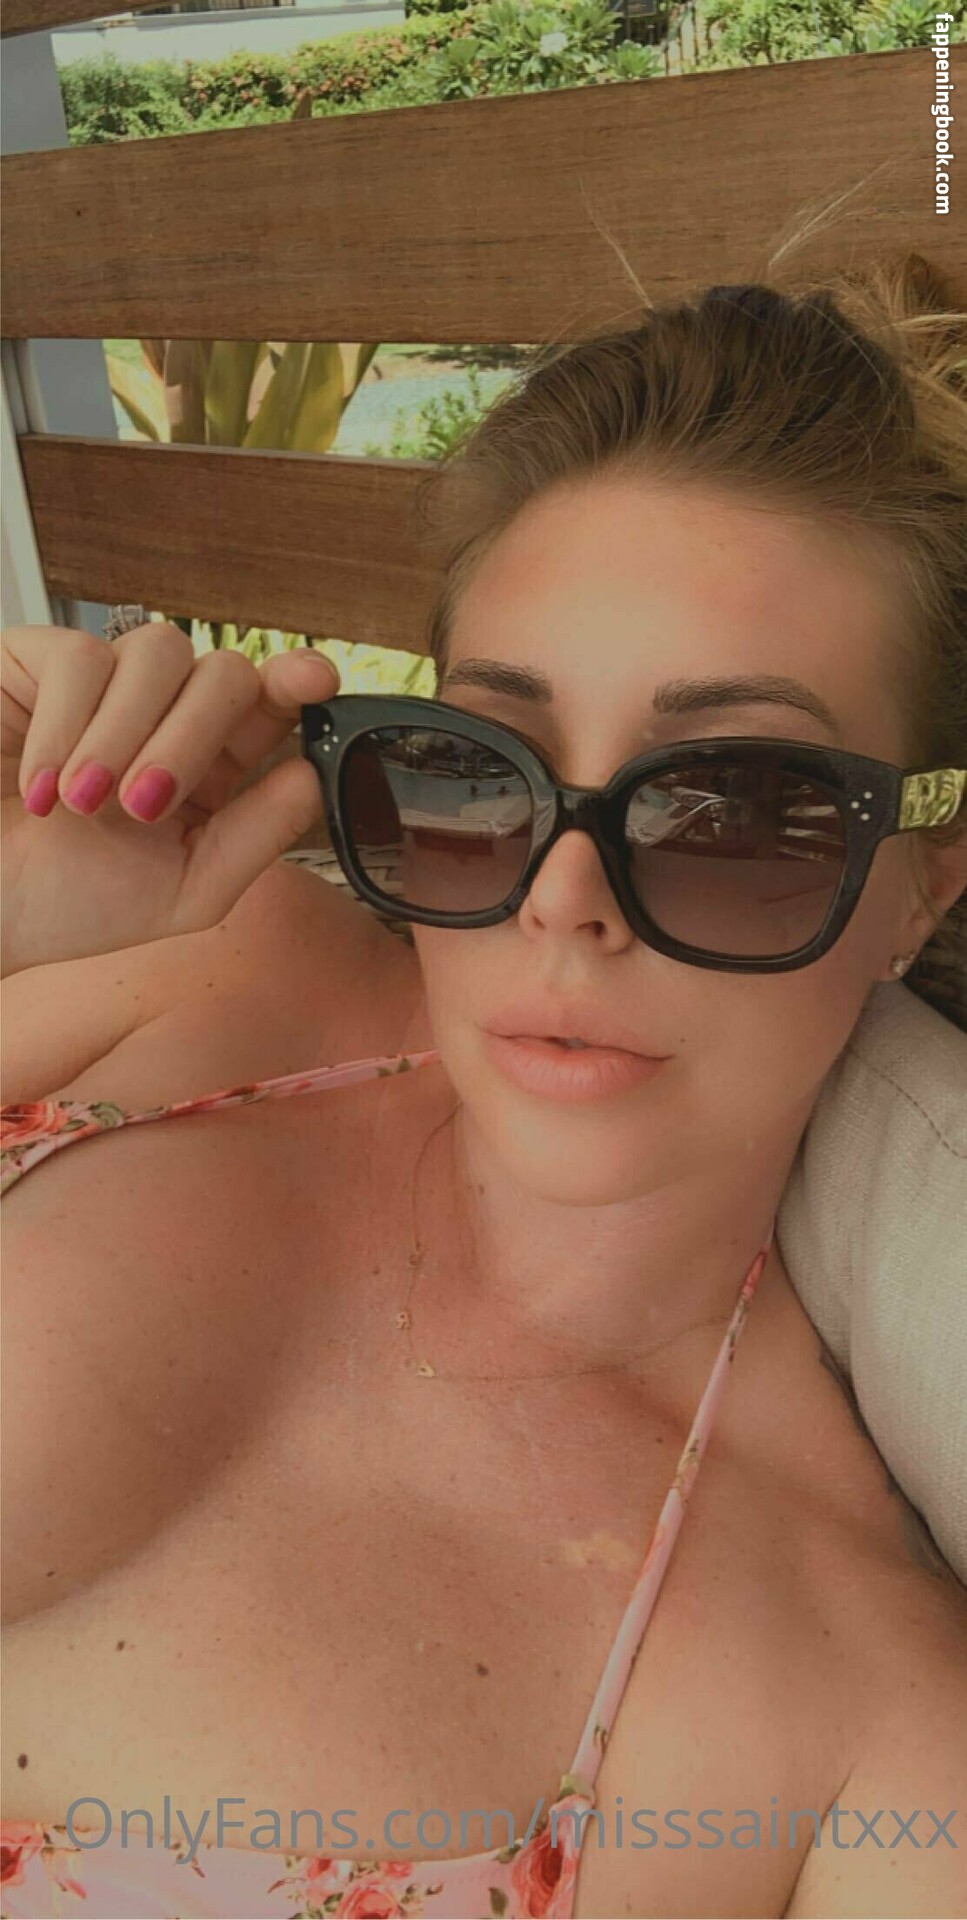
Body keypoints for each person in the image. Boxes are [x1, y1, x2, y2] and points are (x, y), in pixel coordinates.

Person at [1, 250, 966, 1920]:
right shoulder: (186, 967)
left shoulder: (865, 1732)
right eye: (476, 772)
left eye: (735, 812)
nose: (559, 898)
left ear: (920, 895)